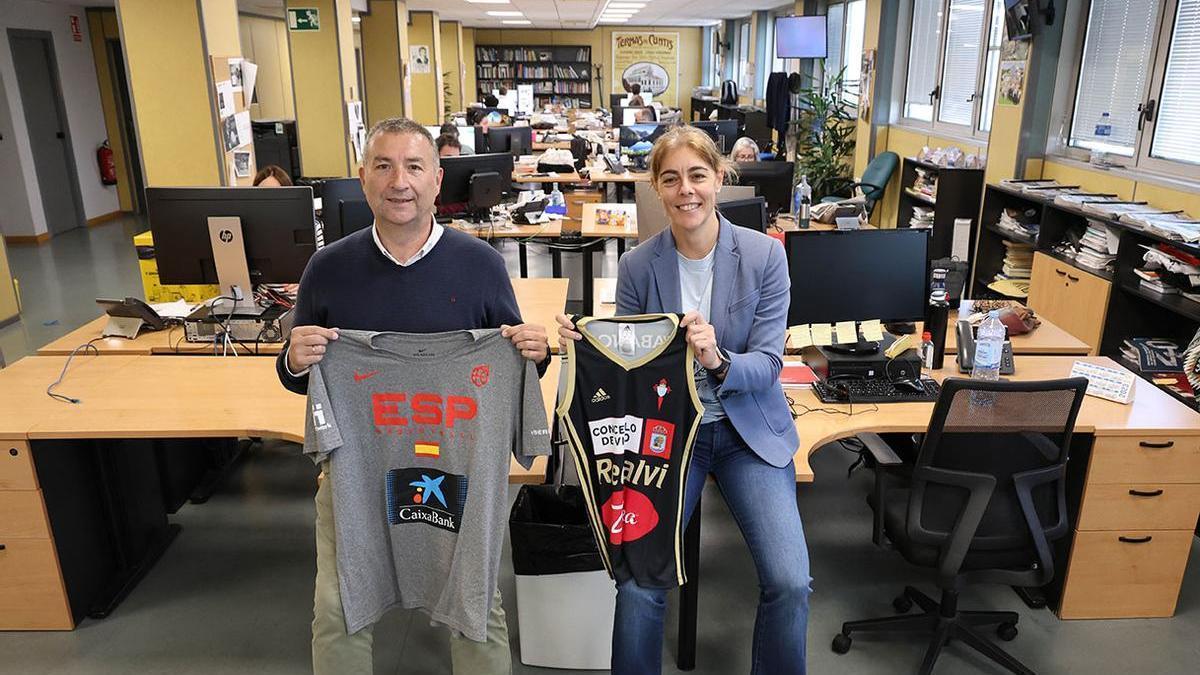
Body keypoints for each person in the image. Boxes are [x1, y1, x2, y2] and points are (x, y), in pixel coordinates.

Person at [278, 117, 551, 675]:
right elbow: (302, 378)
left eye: (413, 166)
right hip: (358, 471)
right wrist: (291, 358)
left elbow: (508, 371)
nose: (398, 180)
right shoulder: (326, 269)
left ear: (436, 179)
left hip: (460, 469)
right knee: (338, 608)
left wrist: (533, 355)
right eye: (383, 165)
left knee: (476, 608)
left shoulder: (481, 267)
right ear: (363, 178)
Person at [556, 125, 811, 675]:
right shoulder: (637, 266)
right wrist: (586, 345)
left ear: (720, 178)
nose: (685, 190)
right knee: (640, 578)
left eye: (697, 175)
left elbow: (768, 367)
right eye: (670, 179)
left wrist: (717, 359)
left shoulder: (766, 257)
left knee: (791, 581)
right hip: (667, 436)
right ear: (656, 187)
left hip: (746, 432)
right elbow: (625, 366)